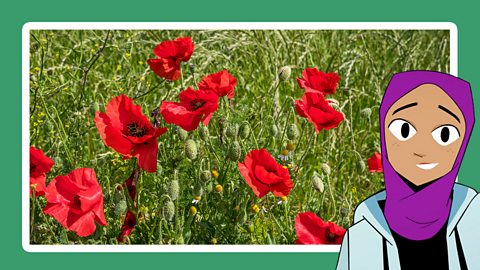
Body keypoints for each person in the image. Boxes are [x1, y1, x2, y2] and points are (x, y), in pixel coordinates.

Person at [336, 70, 479, 270]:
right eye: (404, 130)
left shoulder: (475, 222)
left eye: (444, 134)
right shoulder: (360, 240)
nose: (421, 149)